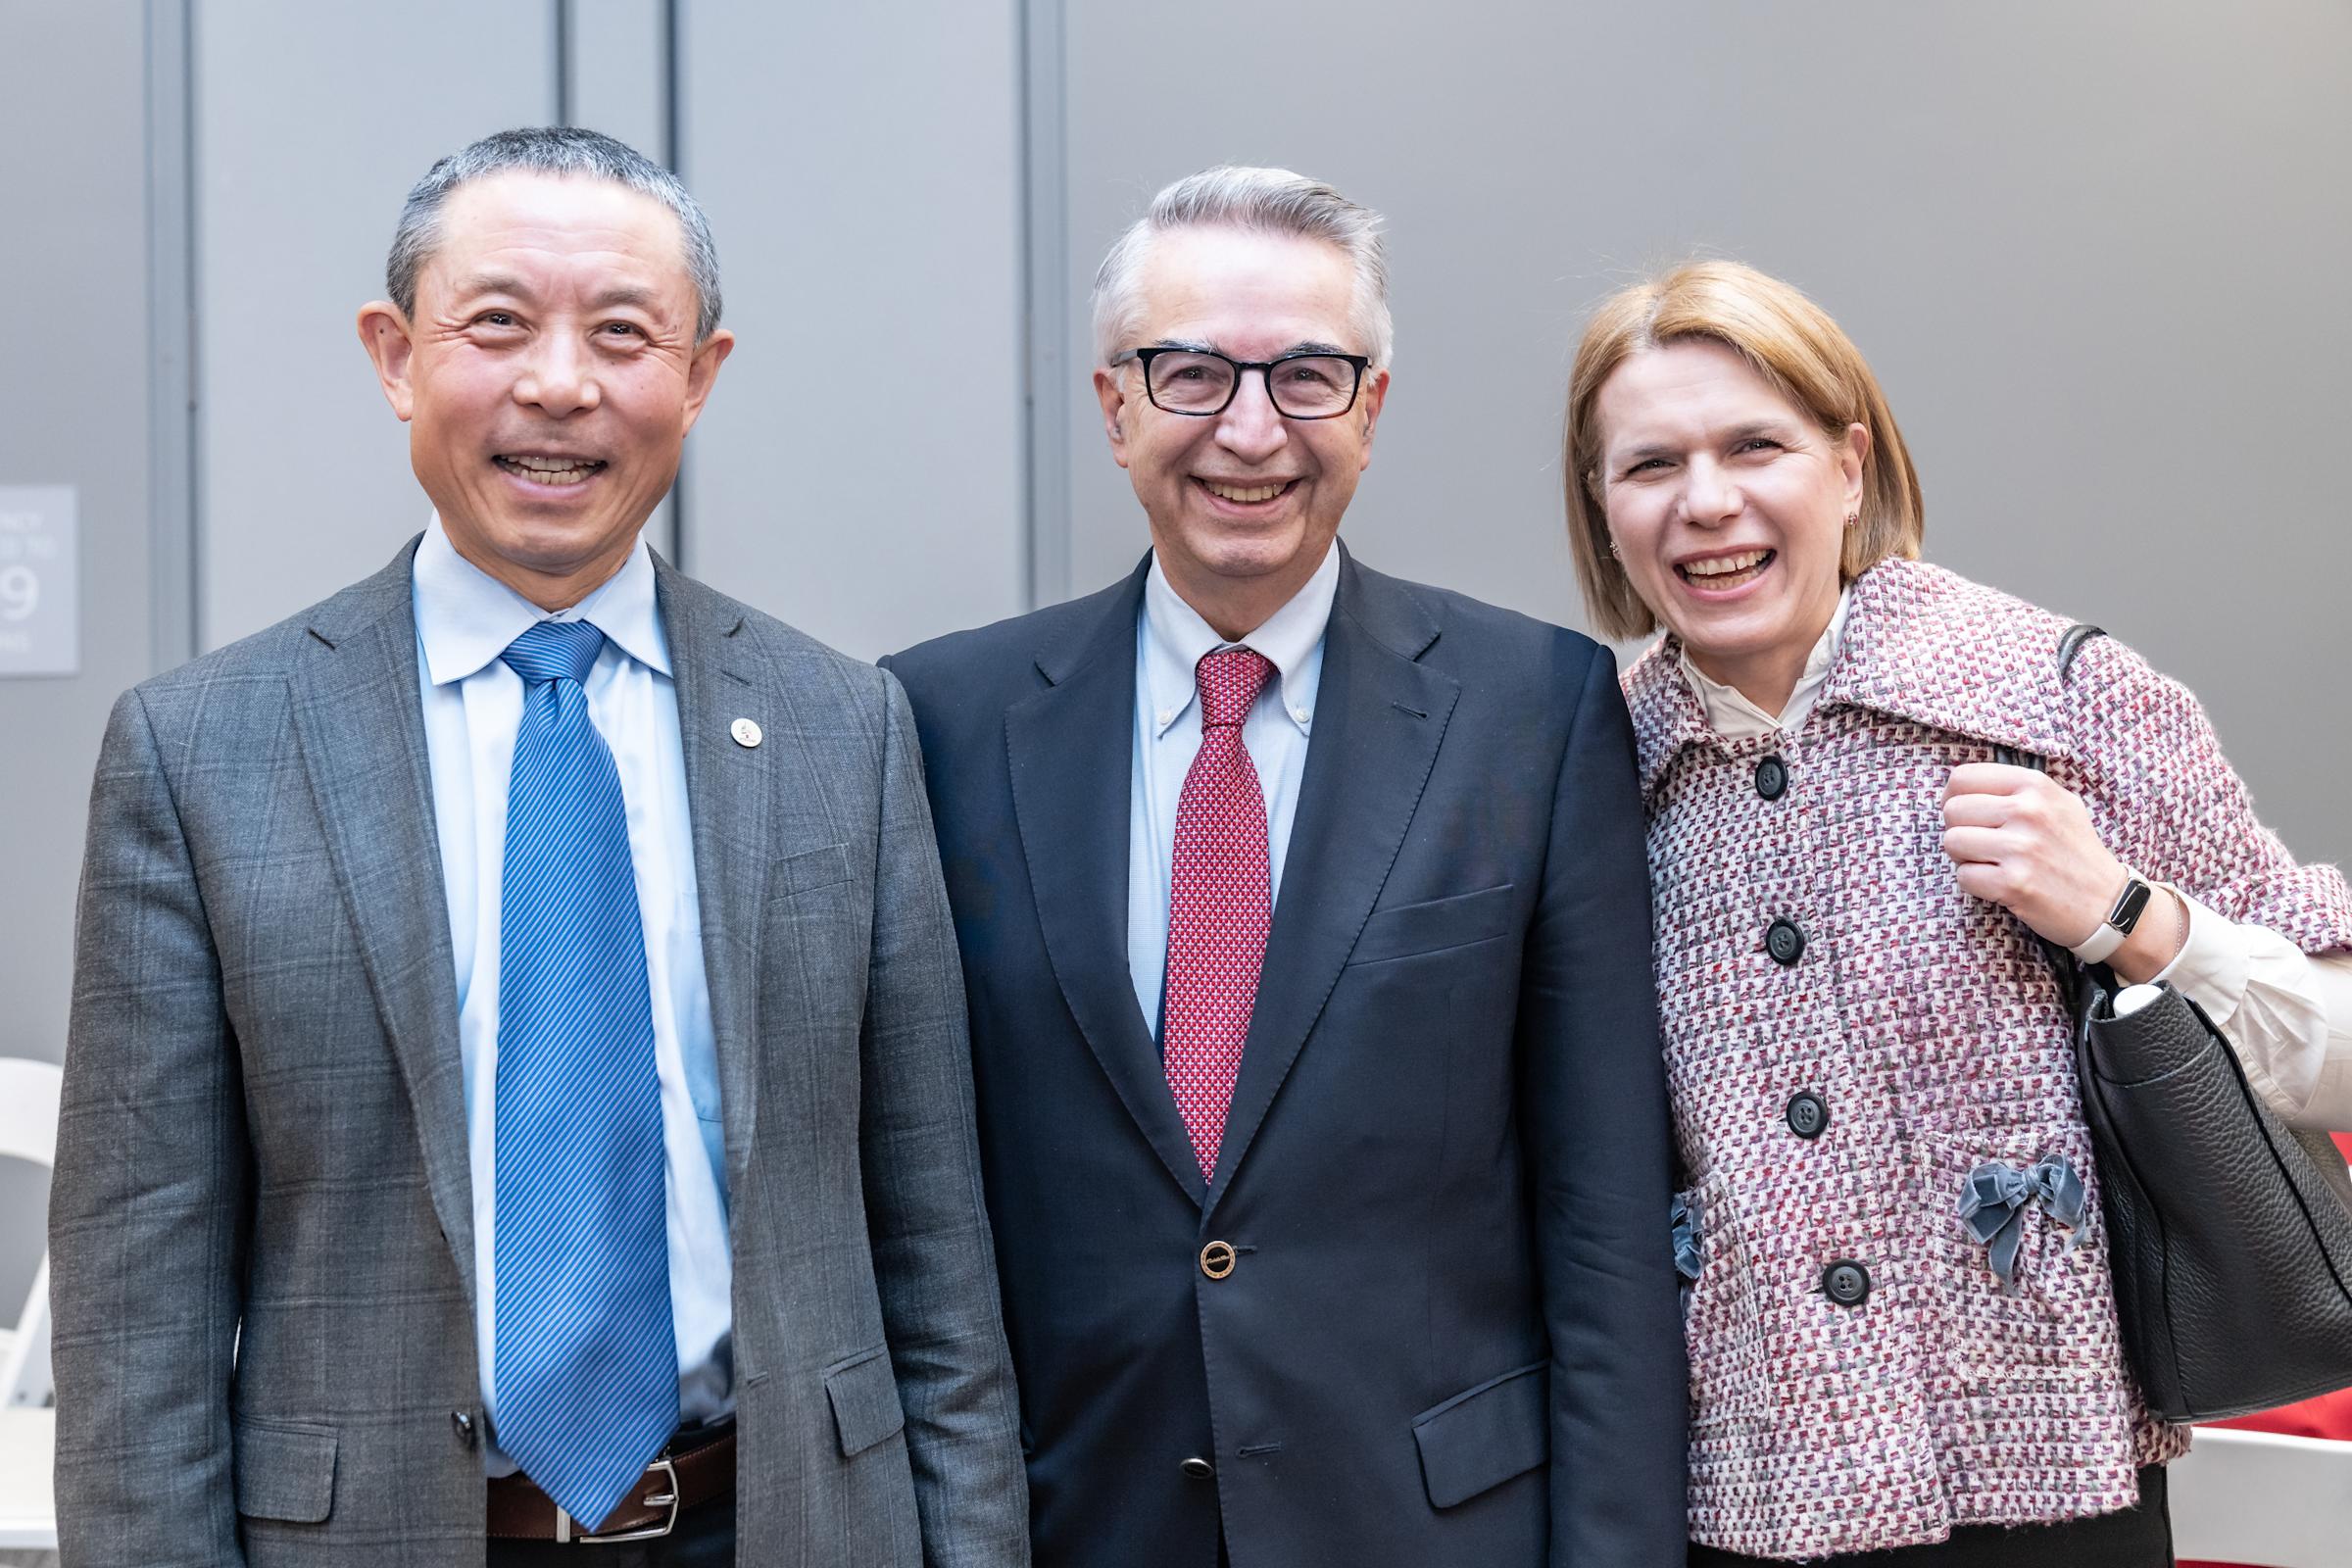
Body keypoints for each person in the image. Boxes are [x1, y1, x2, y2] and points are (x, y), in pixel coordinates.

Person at [49, 127, 1028, 1568]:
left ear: (699, 378)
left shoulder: (842, 729)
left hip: (783, 1522)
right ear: (394, 356)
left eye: (624, 335)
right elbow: (140, 1318)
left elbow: (936, 1258)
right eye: (497, 322)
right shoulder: (202, 755)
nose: (560, 383)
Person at [884, 166, 1686, 1568]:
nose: (1249, 430)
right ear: (1113, 405)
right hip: (1078, 1518)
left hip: (1437, 1527)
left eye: (1308, 375)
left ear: (1371, 411)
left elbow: (1603, 1219)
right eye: (1190, 372)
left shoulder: (1534, 709)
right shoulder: (941, 724)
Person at [1560, 258, 2352, 1565]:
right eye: (1651, 466)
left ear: (1850, 466)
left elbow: (2336, 1061)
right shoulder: (1578, 771)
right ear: (1604, 503)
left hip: (2053, 1497)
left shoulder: (2061, 700)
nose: (1707, 504)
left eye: (1755, 444)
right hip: (1733, 1504)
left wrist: (2126, 915)